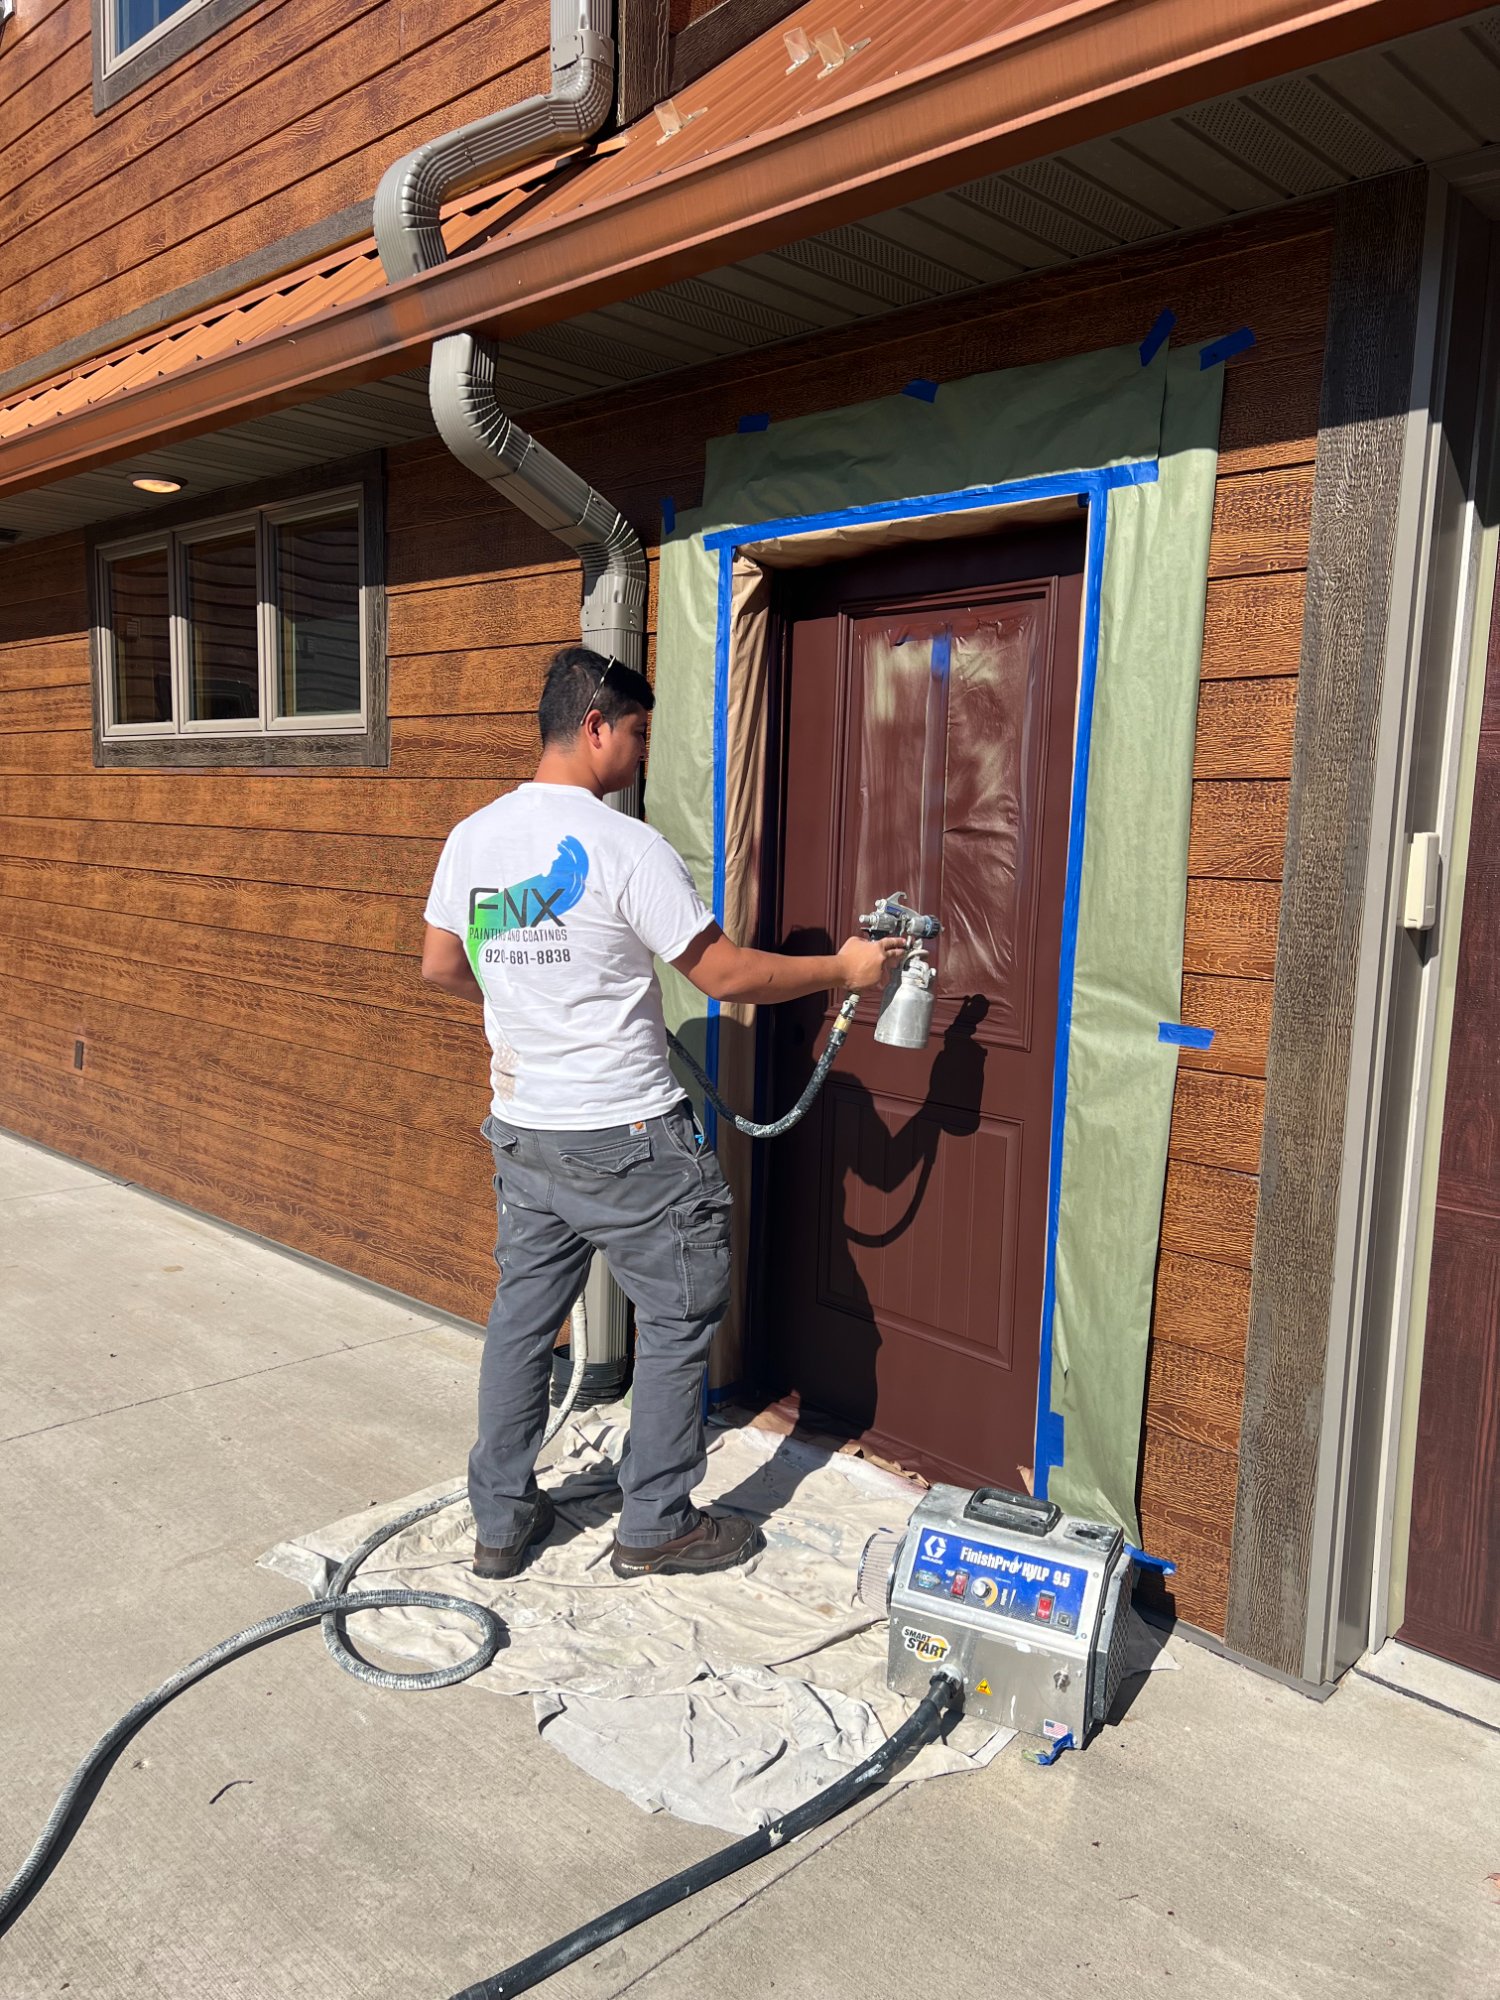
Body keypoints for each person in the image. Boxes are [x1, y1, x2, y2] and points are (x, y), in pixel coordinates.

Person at [421, 644, 904, 1583]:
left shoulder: (474, 837)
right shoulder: (625, 845)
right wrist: (846, 972)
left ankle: (501, 1523)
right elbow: (723, 976)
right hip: (628, 1138)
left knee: (523, 1322)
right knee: (681, 1319)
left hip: (525, 1128)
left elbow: (443, 965)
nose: (641, 752)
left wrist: (536, 1002)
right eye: (638, 732)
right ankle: (656, 1523)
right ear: (596, 725)